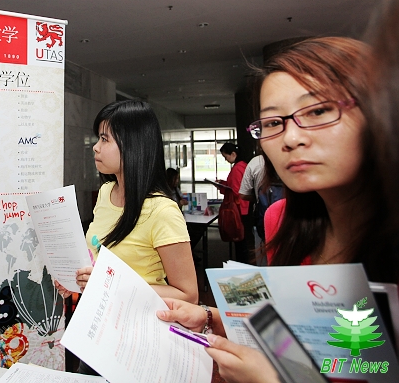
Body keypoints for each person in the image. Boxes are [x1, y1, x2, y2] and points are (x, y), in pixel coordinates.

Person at [156, 35, 398, 383]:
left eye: (317, 111)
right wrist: (211, 318)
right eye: (272, 123)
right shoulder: (280, 220)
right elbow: (305, 336)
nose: (290, 138)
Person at [55, 100, 198, 375]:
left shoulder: (162, 211)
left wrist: (109, 284)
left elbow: (188, 295)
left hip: (137, 342)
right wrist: (75, 278)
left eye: (104, 139)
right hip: (95, 333)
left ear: (133, 145)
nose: (95, 147)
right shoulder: (105, 194)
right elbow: (95, 259)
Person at [216, 142, 253, 264]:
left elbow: (236, 191)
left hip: (239, 207)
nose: (226, 160)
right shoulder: (243, 165)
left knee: (240, 240)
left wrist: (222, 186)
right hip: (244, 207)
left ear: (233, 154)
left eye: (225, 156)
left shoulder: (237, 168)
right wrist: (224, 184)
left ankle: (241, 263)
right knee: (244, 239)